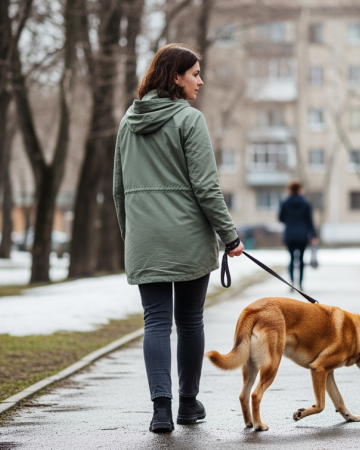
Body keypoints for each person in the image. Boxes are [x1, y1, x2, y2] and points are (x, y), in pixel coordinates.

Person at [113, 43, 244, 433]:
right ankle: (188, 404)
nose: (200, 82)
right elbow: (206, 188)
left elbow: (119, 190)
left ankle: (160, 410)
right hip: (187, 236)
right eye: (195, 74)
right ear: (176, 77)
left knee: (155, 323)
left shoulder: (128, 122)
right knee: (188, 321)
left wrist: (130, 236)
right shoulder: (190, 120)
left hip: (145, 239)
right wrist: (230, 236)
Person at [278, 180, 317, 290]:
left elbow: (281, 218)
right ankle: (300, 283)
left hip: (289, 234)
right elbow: (310, 221)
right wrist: (313, 235)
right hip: (302, 234)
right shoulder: (305, 203)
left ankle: (291, 283)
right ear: (300, 189)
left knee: (291, 259)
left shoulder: (285, 202)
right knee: (300, 259)